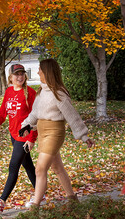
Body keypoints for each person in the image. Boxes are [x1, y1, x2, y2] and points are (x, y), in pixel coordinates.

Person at [18, 58, 94, 209]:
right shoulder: (41, 92)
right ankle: (73, 200)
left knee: (40, 169)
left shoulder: (59, 93)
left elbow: (72, 116)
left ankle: (35, 207)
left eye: (40, 69)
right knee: (57, 168)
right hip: (42, 132)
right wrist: (26, 125)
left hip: (54, 133)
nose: (38, 71)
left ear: (47, 72)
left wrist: (84, 135)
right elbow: (35, 113)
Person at [0, 63, 38, 212]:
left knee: (13, 167)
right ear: (11, 77)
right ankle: (41, 196)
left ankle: (1, 203)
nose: (19, 77)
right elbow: (2, 113)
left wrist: (31, 138)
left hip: (24, 137)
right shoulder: (9, 91)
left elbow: (36, 118)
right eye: (16, 74)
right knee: (28, 167)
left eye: (22, 74)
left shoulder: (31, 93)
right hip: (13, 135)